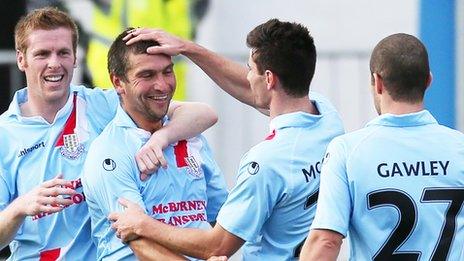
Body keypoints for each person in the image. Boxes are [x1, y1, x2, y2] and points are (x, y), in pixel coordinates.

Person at [108, 19, 344, 260]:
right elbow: (260, 91)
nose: (247, 77)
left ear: (270, 79)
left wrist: (142, 224)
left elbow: (217, 246)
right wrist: (189, 49)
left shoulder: (265, 162)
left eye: (250, 69)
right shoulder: (327, 116)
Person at [0, 7, 217, 260]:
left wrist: (161, 138)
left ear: (75, 58)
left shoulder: (99, 103)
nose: (54, 63)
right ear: (21, 59)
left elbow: (203, 114)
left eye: (63, 53)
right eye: (42, 54)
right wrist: (19, 208)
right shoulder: (5, 134)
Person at [300, 33, 464, 260]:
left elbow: (326, 242)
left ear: (377, 82)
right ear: (428, 80)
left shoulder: (346, 151)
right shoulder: (459, 148)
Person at [82, 28, 228, 260]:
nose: (162, 85)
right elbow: (139, 241)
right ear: (118, 82)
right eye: (147, 75)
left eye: (167, 72)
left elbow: (219, 218)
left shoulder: (189, 135)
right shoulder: (109, 152)